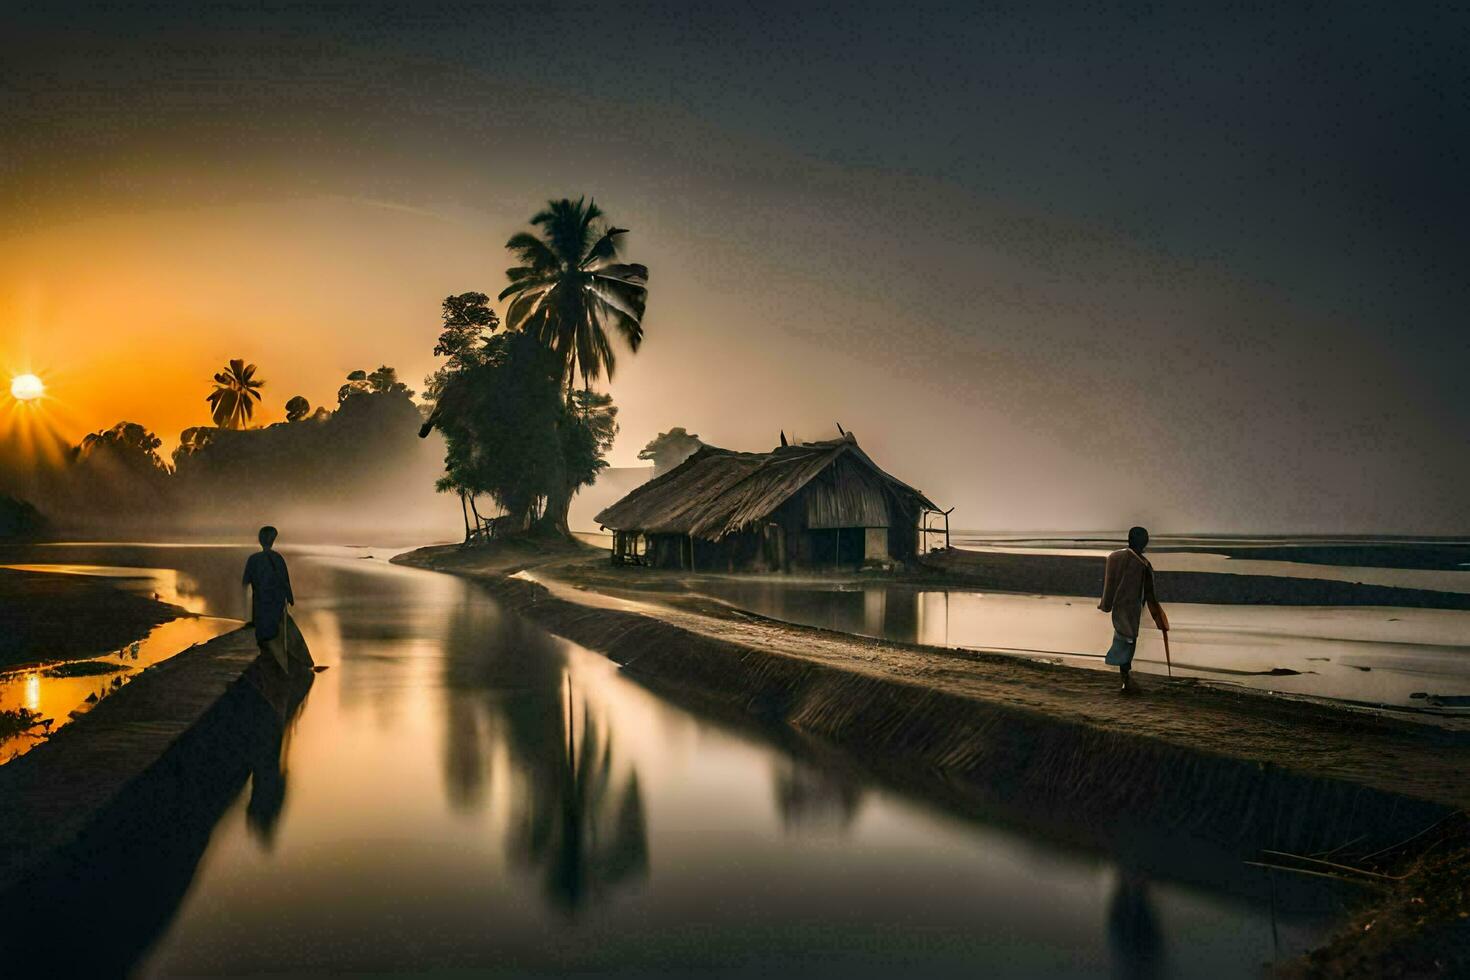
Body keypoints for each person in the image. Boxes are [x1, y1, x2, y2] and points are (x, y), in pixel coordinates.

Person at [1098, 525, 1168, 692]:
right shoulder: (1143, 564)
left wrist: (1106, 605)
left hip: (1119, 607)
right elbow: (1150, 594)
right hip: (1131, 609)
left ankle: (1125, 678)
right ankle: (1126, 679)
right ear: (1144, 541)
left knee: (1123, 639)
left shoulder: (1114, 557)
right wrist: (1159, 618)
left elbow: (1109, 586)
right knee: (1129, 641)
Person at [242, 525, 294, 671]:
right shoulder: (277, 558)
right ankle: (273, 660)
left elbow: (246, 580)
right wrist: (290, 597)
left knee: (263, 628)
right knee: (273, 628)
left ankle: (266, 656)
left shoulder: (254, 559)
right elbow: (285, 580)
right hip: (275, 600)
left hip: (261, 599)